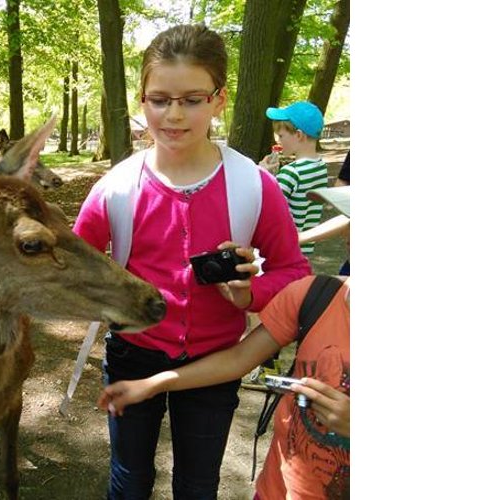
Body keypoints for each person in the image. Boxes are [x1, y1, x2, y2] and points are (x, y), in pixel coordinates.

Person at [72, 24, 311, 499]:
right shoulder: (115, 190)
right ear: (142, 101)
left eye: (192, 99)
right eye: (160, 99)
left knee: (198, 485)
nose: (174, 114)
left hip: (217, 363)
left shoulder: (252, 185)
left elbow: (294, 272)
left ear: (219, 100)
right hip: (131, 357)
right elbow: (70, 265)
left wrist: (250, 293)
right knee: (129, 479)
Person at [99, 187, 352, 499]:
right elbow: (237, 360)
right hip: (278, 490)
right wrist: (151, 384)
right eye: (353, 223)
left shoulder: (252, 184)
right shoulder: (318, 296)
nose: (350, 237)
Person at [260, 100, 329, 258]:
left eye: (281, 135)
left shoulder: (291, 172)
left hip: (284, 250)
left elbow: (267, 209)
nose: (278, 140)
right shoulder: (320, 167)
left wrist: (262, 175)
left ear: (298, 135)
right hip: (304, 250)